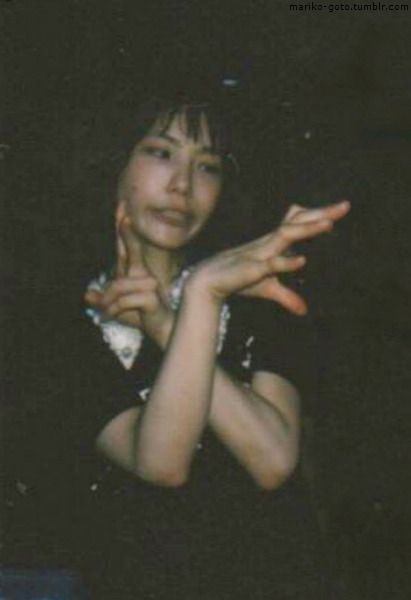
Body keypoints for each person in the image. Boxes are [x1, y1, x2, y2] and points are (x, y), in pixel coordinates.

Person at [52, 94, 350, 600]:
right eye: (160, 153)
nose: (182, 186)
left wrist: (176, 316)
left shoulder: (256, 295)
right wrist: (196, 305)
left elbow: (273, 459)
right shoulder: (61, 321)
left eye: (207, 166)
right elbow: (161, 463)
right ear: (113, 163)